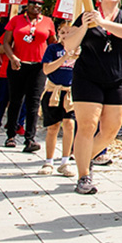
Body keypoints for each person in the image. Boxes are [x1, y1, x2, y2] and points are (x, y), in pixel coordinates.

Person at [62, 0, 122, 195]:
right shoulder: (86, 16)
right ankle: (84, 175)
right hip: (87, 78)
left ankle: (83, 157)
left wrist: (102, 22)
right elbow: (69, 45)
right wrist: (86, 25)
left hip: (118, 78)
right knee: (87, 125)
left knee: (110, 130)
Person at [0, 0, 56, 152]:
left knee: (33, 102)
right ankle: (11, 135)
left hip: (38, 67)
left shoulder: (48, 22)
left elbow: (53, 43)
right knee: (15, 100)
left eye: (40, 4)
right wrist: (12, 58)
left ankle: (30, 139)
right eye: (33, 3)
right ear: (27, 5)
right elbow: (6, 42)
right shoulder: (16, 20)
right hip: (18, 65)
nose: (36, 6)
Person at [40, 20, 78, 177]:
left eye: (69, 33)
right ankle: (48, 161)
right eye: (62, 33)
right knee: (53, 126)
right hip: (53, 91)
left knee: (69, 124)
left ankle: (65, 160)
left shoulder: (79, 50)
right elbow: (47, 69)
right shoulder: (52, 49)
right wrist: (64, 58)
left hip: (70, 92)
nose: (65, 36)